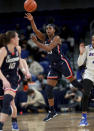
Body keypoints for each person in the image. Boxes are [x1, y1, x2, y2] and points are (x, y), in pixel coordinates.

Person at [25, 13, 83, 122]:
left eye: (50, 28)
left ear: (54, 30)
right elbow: (36, 31)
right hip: (54, 66)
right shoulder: (44, 37)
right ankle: (52, 111)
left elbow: (48, 48)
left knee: (75, 83)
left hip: (62, 63)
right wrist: (32, 20)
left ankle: (90, 92)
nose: (47, 30)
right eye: (46, 28)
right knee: (48, 89)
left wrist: (36, 42)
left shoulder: (57, 38)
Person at [0, 31, 31, 131]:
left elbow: (20, 62)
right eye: (17, 37)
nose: (19, 38)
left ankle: (9, 124)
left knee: (8, 102)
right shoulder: (3, 51)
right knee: (8, 104)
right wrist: (4, 80)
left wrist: (25, 71)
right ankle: (12, 122)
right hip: (2, 79)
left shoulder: (18, 48)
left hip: (13, 79)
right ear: (12, 39)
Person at [77, 35, 94, 126]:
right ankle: (84, 118)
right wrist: (80, 53)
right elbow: (79, 63)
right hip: (89, 74)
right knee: (85, 94)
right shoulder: (87, 48)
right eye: (92, 40)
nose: (93, 42)